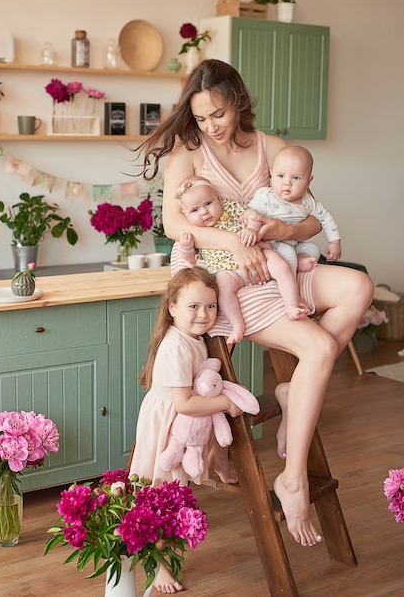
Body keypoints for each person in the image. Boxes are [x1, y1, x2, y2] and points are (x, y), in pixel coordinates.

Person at [133, 59, 373, 554]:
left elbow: (308, 220)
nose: (210, 126)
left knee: (358, 288)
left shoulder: (274, 147)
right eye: (200, 118)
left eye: (217, 113)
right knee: (321, 347)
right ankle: (293, 479)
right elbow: (176, 225)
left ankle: (296, 389)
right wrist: (234, 242)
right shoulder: (188, 154)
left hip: (279, 265)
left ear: (237, 102)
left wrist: (278, 231)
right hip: (235, 285)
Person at [129, 266, 243, 593]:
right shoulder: (177, 346)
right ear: (172, 307)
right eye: (193, 306)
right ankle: (156, 567)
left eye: (210, 306)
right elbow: (185, 404)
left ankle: (217, 458)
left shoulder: (192, 337)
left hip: (180, 421)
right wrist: (223, 402)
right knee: (163, 495)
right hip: (168, 423)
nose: (203, 314)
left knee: (172, 491)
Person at [176, 175, 312, 344]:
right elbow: (191, 261)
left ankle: (292, 304)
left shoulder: (229, 207)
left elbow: (253, 216)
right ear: (185, 214)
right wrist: (186, 247)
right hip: (227, 271)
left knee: (281, 265)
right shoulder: (196, 232)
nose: (204, 212)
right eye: (195, 210)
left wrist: (252, 229)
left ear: (218, 198)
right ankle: (237, 324)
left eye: (208, 204)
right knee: (223, 290)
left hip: (257, 256)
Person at [245, 144, 341, 275]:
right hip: (272, 246)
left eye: (295, 178)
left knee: (313, 249)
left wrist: (334, 242)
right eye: (280, 176)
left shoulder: (308, 201)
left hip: (293, 243)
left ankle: (299, 261)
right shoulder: (266, 196)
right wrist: (251, 229)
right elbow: (250, 214)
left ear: (308, 181)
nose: (287, 182)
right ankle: (288, 286)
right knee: (288, 253)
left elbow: (326, 218)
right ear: (271, 175)